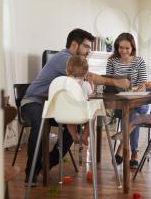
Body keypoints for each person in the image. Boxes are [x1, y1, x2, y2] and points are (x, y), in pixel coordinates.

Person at [21, 28, 130, 185]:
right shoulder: (64, 58)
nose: (88, 51)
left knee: (73, 124)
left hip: (52, 105)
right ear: (74, 44)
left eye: (90, 48)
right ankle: (30, 173)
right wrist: (115, 82)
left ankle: (45, 164)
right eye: (86, 46)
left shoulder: (72, 60)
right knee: (40, 122)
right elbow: (88, 75)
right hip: (33, 102)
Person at [106, 32, 149, 169]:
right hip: (120, 102)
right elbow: (108, 81)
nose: (123, 51)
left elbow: (143, 84)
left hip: (138, 101)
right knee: (133, 115)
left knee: (134, 112)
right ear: (117, 47)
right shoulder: (112, 61)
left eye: (127, 48)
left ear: (132, 48)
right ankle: (134, 153)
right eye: (121, 48)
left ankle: (122, 148)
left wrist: (140, 89)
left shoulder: (139, 61)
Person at [66, 56, 92, 145]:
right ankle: (85, 136)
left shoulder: (64, 83)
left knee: (69, 123)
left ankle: (74, 135)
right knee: (92, 119)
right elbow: (91, 96)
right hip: (83, 115)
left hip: (67, 115)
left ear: (67, 70)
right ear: (86, 73)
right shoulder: (86, 84)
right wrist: (91, 83)